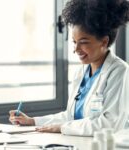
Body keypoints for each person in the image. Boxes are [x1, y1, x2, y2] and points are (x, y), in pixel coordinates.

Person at [9, 0, 129, 136]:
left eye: (83, 42)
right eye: (74, 42)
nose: (76, 49)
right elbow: (70, 117)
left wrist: (62, 128)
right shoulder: (81, 72)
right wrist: (33, 121)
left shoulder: (120, 71)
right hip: (78, 143)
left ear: (104, 41)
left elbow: (109, 124)